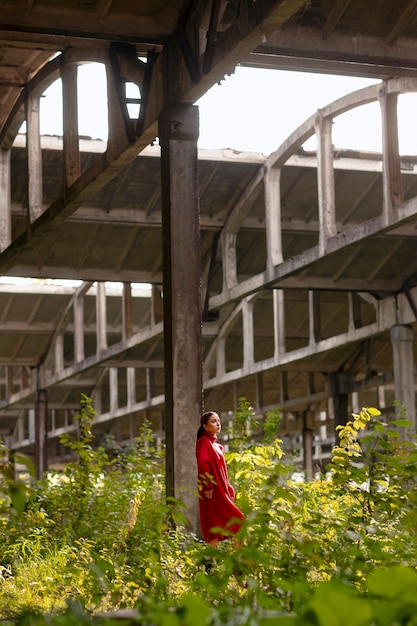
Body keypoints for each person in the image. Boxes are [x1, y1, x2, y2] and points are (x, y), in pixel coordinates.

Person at [196, 411, 244, 546]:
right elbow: (202, 464)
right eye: (213, 421)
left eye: (218, 421)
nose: (217, 424)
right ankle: (237, 561)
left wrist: (228, 487)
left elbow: (222, 471)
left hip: (221, 491)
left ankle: (211, 562)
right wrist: (207, 486)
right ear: (205, 426)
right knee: (238, 521)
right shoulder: (203, 442)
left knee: (216, 525)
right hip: (211, 491)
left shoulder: (218, 447)